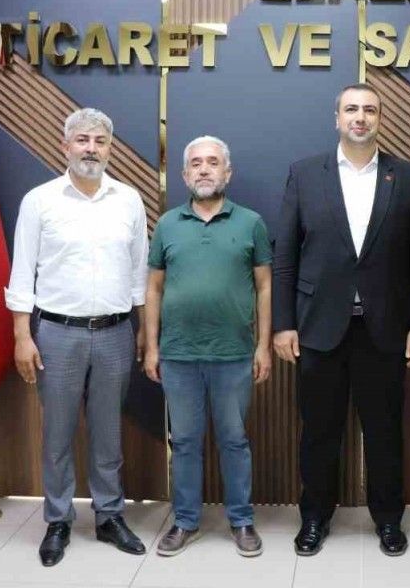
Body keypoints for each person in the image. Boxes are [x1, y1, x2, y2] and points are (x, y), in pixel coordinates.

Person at [271, 83, 410, 557]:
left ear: (380, 118)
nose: (360, 117)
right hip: (319, 328)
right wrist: (283, 323)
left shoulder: (407, 177)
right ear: (337, 118)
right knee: (319, 431)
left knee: (384, 431)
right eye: (351, 109)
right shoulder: (305, 174)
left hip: (384, 330)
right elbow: (286, 256)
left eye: (369, 110)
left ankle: (388, 520)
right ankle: (315, 517)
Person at [5, 107, 149, 567]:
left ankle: (109, 516)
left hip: (115, 333)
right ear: (65, 145)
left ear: (110, 149)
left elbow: (138, 272)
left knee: (108, 433)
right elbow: (22, 272)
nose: (91, 148)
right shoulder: (40, 201)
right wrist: (22, 336)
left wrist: (145, 330)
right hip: (56, 334)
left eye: (100, 141)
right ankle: (58, 520)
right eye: (83, 139)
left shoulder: (129, 200)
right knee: (58, 434)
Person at [142, 135, 272, 559]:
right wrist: (152, 348)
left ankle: (241, 520)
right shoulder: (167, 224)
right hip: (178, 355)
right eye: (196, 163)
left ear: (227, 172)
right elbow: (153, 287)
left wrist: (263, 346)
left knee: (234, 440)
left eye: (213, 162)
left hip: (234, 354)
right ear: (184, 174)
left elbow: (264, 286)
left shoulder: (251, 223)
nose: (204, 169)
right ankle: (185, 521)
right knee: (184, 442)